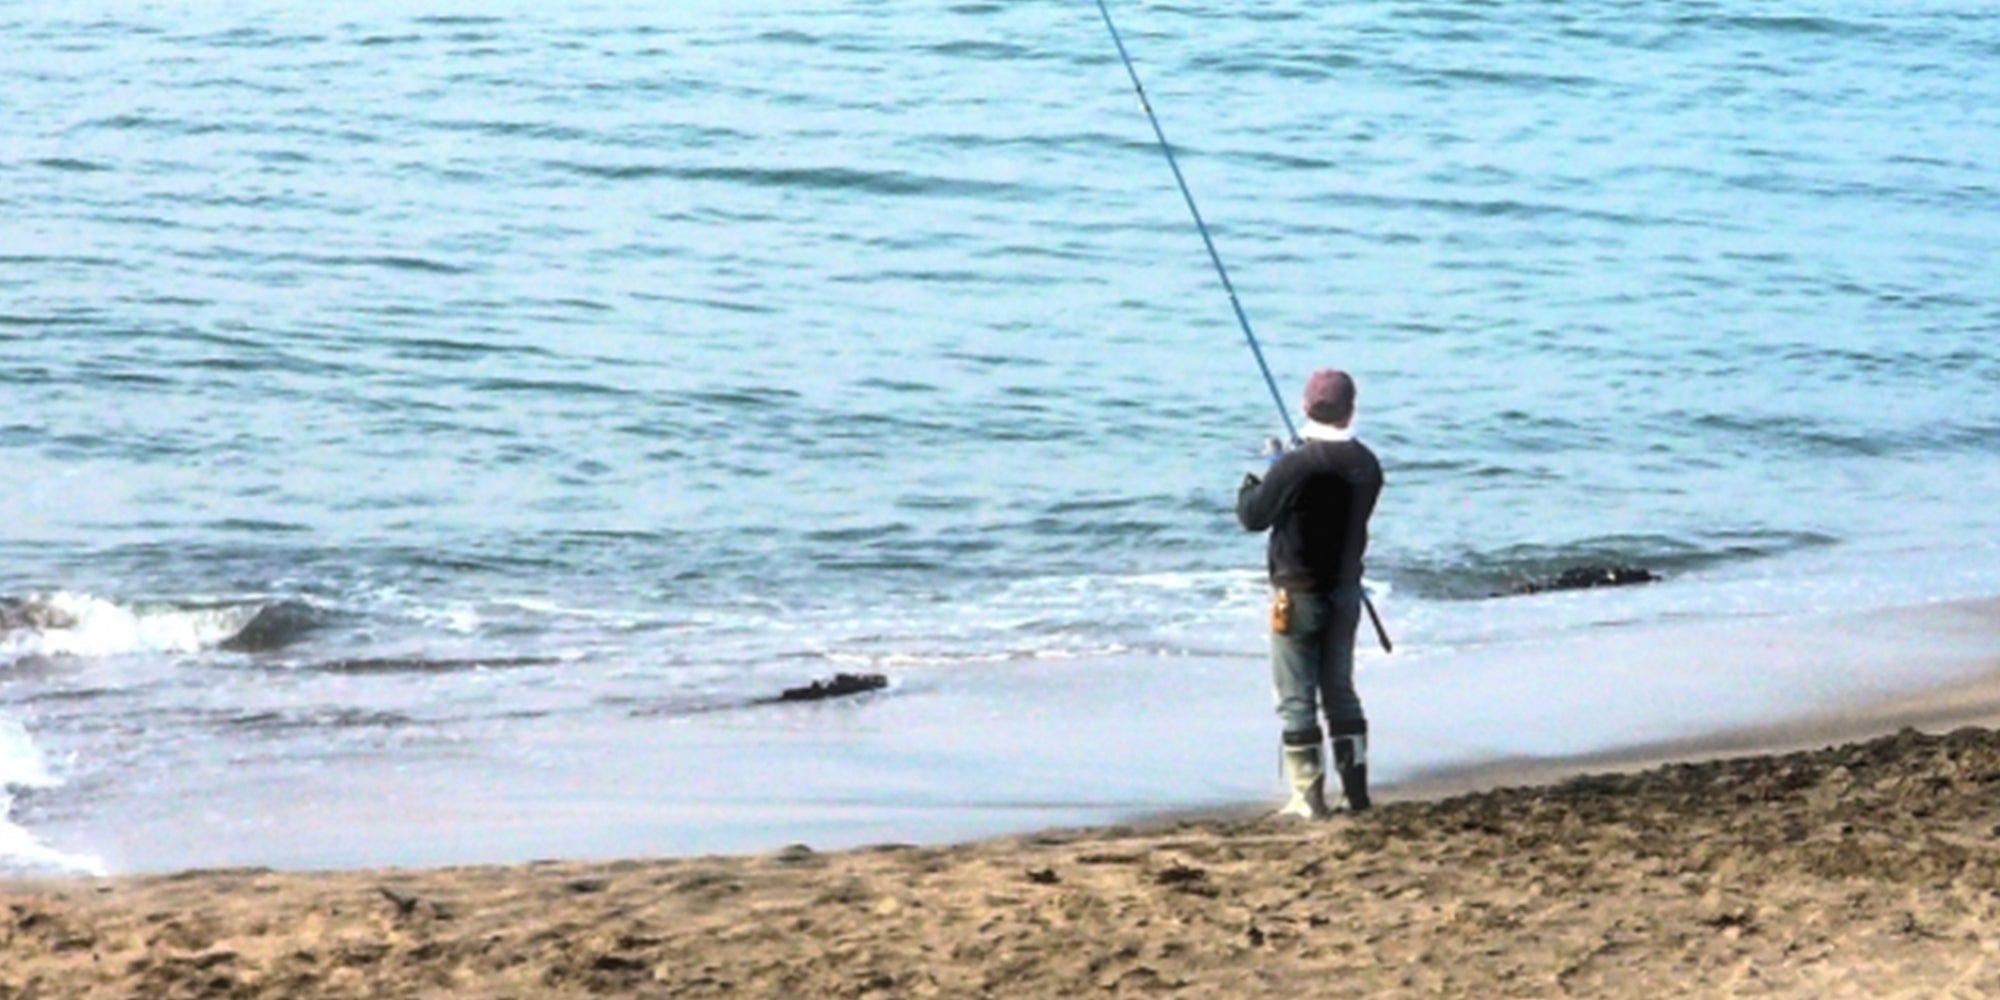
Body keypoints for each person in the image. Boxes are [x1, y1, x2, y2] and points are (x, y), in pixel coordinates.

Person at [1235, 368, 1383, 818]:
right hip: (1345, 593)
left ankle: (1307, 798)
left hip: (1296, 596)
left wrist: (1265, 471)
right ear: (1351, 408)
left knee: (1296, 698)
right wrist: (1288, 467)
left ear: (1305, 407)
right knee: (1340, 690)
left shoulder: (1299, 465)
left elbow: (1252, 516)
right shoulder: (1367, 463)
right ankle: (1356, 795)